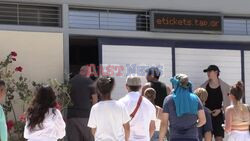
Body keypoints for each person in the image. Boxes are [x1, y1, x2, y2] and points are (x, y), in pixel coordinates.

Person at [159, 74, 206, 141]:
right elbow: (203, 120)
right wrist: (194, 126)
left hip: (175, 137)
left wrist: (160, 139)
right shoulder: (195, 98)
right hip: (192, 137)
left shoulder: (168, 100)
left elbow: (164, 123)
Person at [87, 76, 130, 141]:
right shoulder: (121, 106)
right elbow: (127, 128)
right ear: (112, 88)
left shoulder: (95, 108)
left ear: (98, 90)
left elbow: (93, 130)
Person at [119, 75, 156, 141]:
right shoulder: (149, 104)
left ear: (126, 86)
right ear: (140, 87)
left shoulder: (121, 103)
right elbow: (152, 127)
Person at [67, 65, 98, 141]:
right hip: (85, 116)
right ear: (86, 72)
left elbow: (66, 98)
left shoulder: (70, 81)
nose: (89, 75)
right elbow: (95, 99)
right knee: (88, 138)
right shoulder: (89, 82)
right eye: (89, 73)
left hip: (72, 116)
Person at [201, 65, 230, 141]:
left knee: (219, 138)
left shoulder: (225, 87)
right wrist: (206, 110)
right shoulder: (203, 87)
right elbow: (200, 102)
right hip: (207, 116)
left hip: (219, 117)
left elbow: (228, 104)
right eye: (207, 72)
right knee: (208, 138)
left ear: (216, 72)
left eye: (210, 71)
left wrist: (220, 110)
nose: (208, 73)